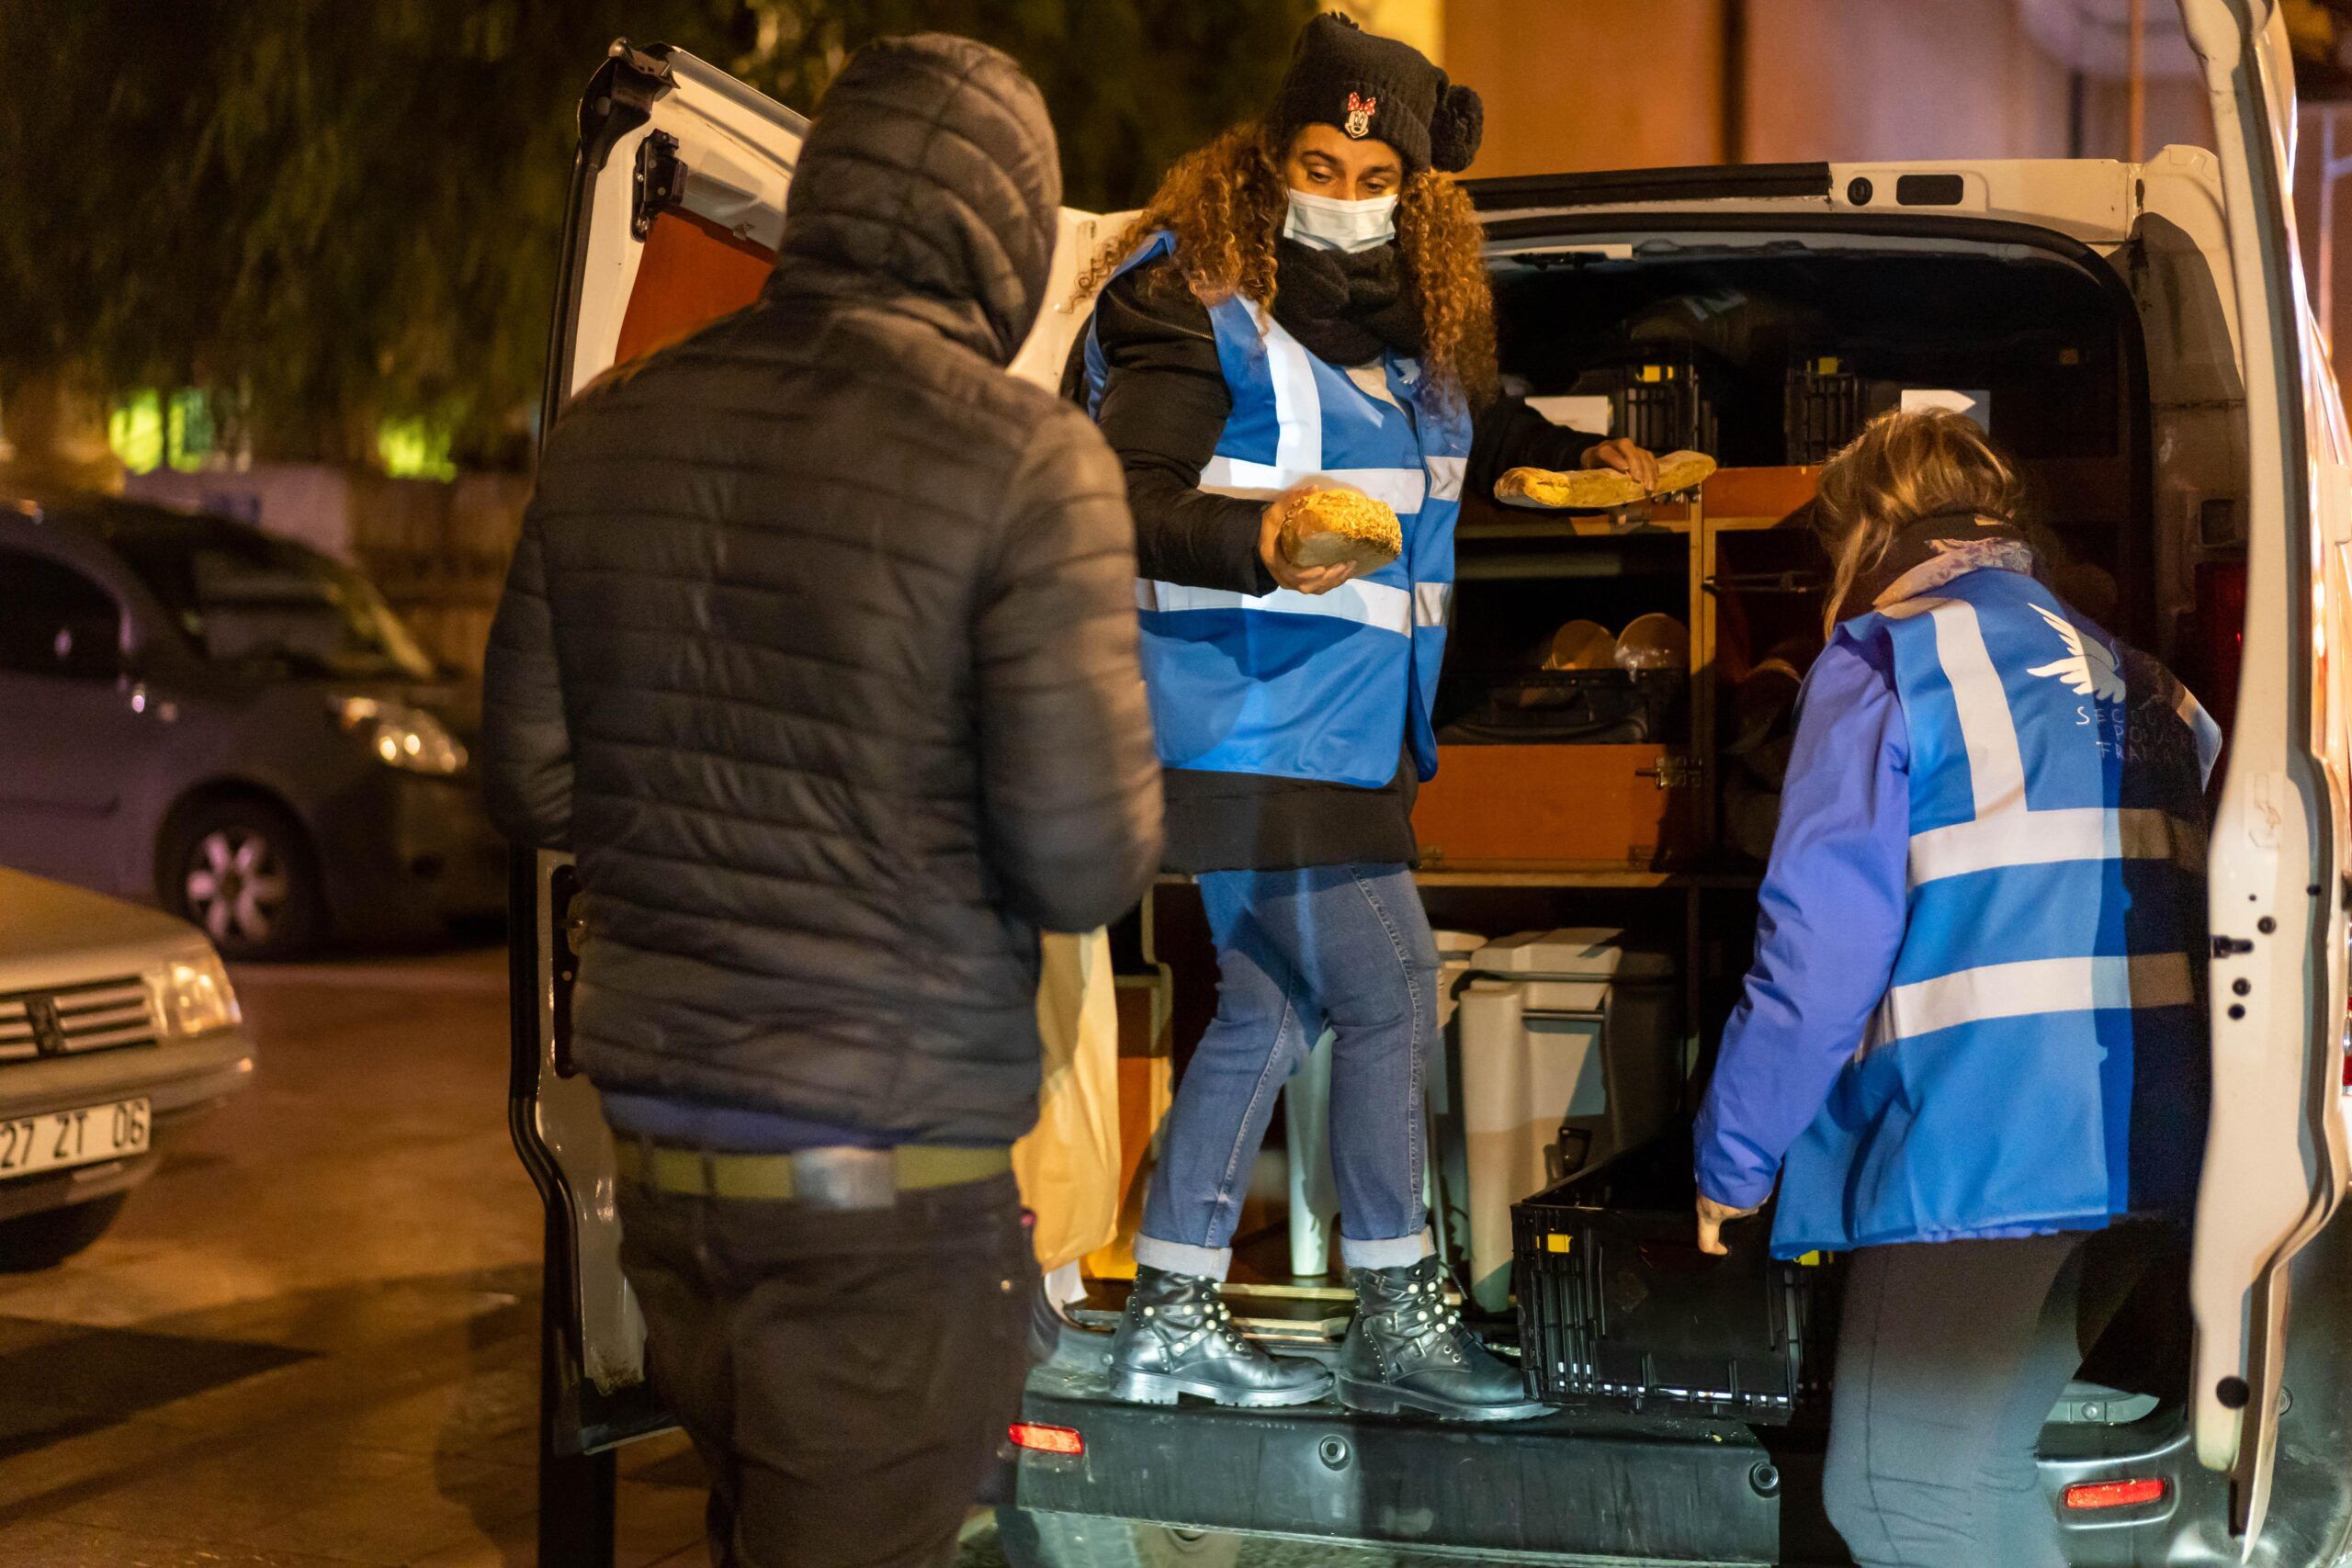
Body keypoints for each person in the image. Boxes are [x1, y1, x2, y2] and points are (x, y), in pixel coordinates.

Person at [480, 34, 1161, 1568]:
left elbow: (526, 775)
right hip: (889, 1200)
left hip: (664, 1189)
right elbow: (1082, 861)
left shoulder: (605, 433)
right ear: (1006, 232)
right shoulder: (1028, 459)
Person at [1071, 11, 1659, 1421]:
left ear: (1417, 194)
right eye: (1315, 163)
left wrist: (1587, 466)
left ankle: (1169, 1314)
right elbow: (1110, 496)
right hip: (1243, 723)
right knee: (1393, 985)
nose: (1339, 196)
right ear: (1266, 158)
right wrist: (1258, 540)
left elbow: (1484, 432)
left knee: (1269, 1011)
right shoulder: (1192, 305)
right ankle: (1398, 1315)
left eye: (1370, 175)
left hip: (1345, 739)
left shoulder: (1414, 338)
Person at [1691, 408, 2218, 1567]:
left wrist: (1734, 1160)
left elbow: (1818, 949)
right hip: (2153, 1147)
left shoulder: (1888, 659)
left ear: (1867, 530)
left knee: (1904, 1500)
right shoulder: (2147, 683)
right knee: (1970, 1480)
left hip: (1984, 1151)